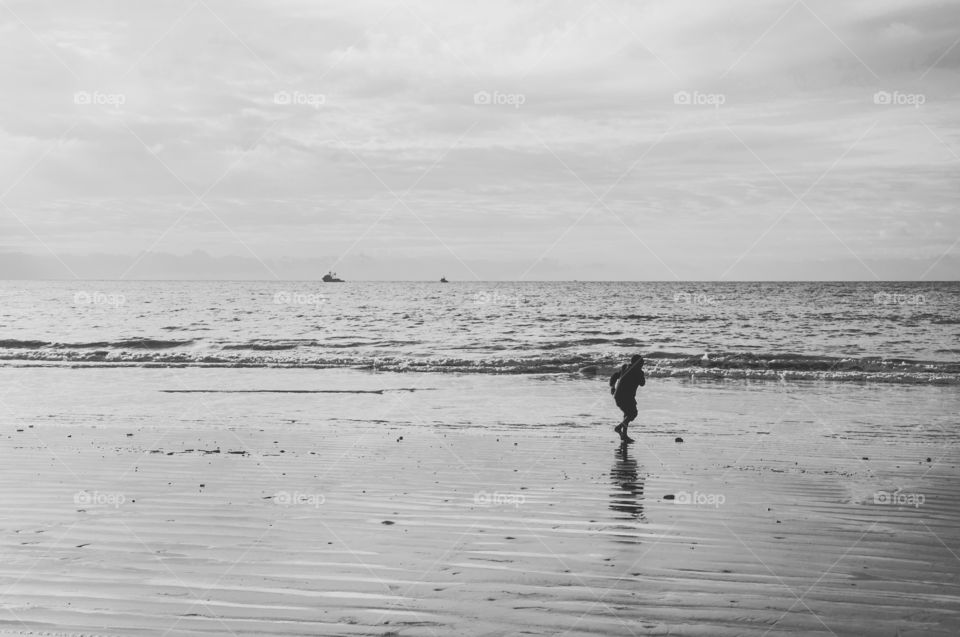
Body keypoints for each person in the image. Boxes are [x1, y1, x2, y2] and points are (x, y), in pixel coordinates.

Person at [609, 354, 645, 443]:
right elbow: (642, 383)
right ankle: (619, 428)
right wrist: (641, 373)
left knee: (627, 414)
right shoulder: (638, 372)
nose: (642, 364)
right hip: (627, 396)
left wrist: (613, 387)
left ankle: (624, 436)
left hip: (618, 395)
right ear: (638, 363)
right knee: (633, 414)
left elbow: (614, 376)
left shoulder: (624, 367)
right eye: (641, 363)